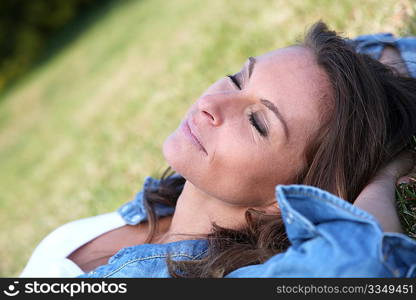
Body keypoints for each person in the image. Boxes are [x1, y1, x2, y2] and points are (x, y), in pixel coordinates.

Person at [20, 21, 416, 278]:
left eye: (257, 122)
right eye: (237, 79)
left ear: (289, 198)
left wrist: (384, 174)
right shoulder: (164, 205)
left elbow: (361, 261)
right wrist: (390, 81)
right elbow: (365, 56)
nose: (211, 105)